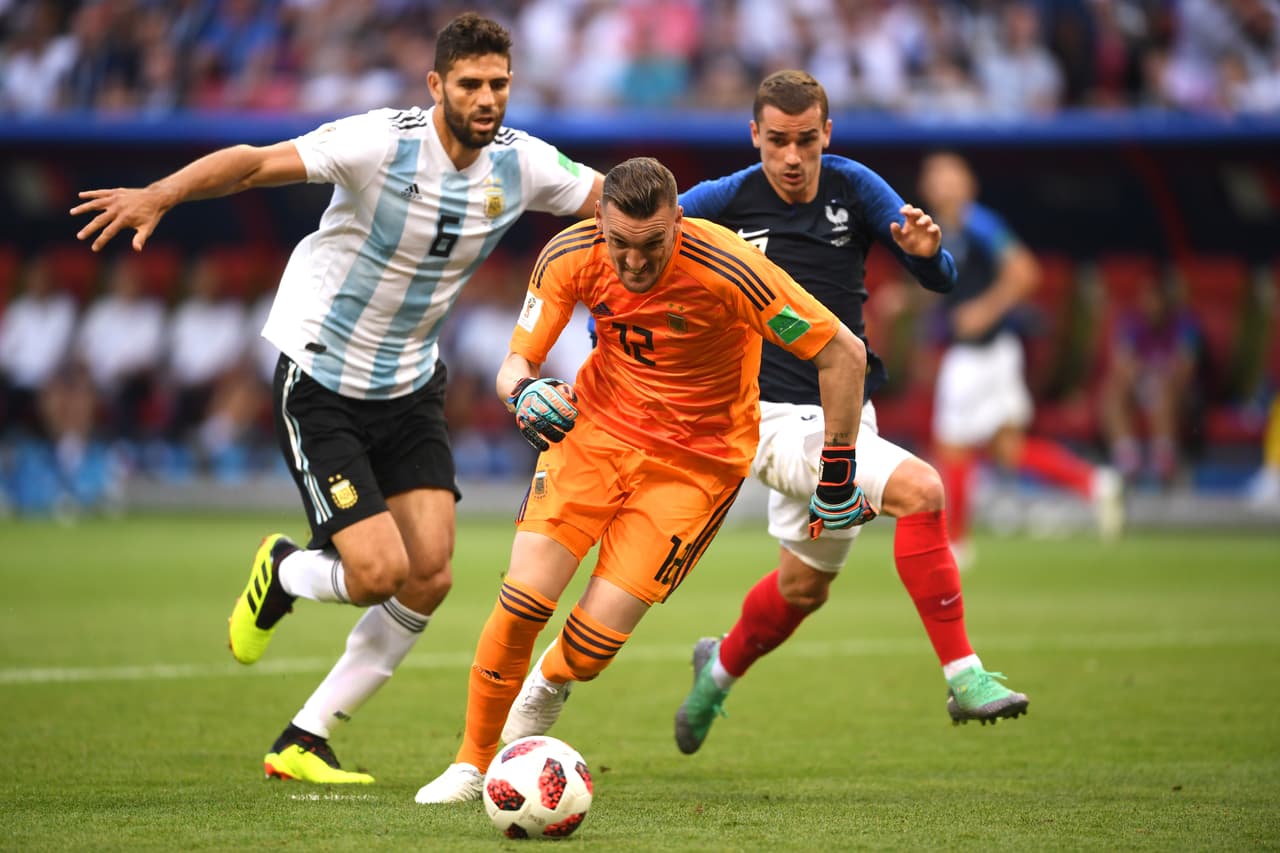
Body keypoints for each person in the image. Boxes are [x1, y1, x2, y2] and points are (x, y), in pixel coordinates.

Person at [71, 12, 603, 785]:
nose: (487, 98)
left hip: (412, 382)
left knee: (432, 574)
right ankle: (285, 570)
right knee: (380, 571)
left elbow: (623, 203)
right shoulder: (380, 143)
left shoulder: (525, 165)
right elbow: (252, 164)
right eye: (470, 84)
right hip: (322, 377)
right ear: (436, 86)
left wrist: (729, 232)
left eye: (499, 84)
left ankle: (305, 736)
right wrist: (160, 194)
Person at [413, 156, 873, 803]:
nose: (632, 262)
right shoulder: (570, 253)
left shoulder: (731, 268)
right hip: (593, 436)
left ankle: (546, 683)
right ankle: (468, 764)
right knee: (522, 602)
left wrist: (838, 472)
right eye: (619, 244)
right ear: (599, 220)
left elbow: (841, 351)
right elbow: (517, 360)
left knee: (592, 647)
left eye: (651, 245)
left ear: (679, 222)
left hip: (695, 465)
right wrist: (521, 391)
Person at [646, 69, 1029, 755]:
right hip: (766, 418)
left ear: (827, 133)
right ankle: (964, 675)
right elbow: (637, 245)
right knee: (923, 490)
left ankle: (716, 674)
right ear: (755, 136)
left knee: (802, 586)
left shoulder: (854, 185)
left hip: (845, 413)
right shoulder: (723, 199)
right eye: (777, 142)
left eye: (806, 141)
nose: (792, 158)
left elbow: (936, 273)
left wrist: (929, 256)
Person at [920, 151, 1123, 566]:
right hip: (984, 353)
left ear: (968, 183)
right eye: (936, 176)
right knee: (1007, 449)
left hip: (984, 353)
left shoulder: (980, 223)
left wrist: (985, 311)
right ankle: (1093, 482)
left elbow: (1026, 272)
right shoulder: (945, 230)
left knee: (952, 447)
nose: (943, 183)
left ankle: (956, 545)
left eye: (951, 175)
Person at [1098, 271, 1201, 487]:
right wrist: (1142, 376)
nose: (1150, 303)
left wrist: (1159, 378)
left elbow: (1186, 368)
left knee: (1163, 389)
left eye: (1155, 298)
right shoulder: (1131, 321)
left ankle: (1164, 461)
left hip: (1179, 393)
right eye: (1146, 297)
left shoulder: (1185, 323)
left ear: (1166, 300)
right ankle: (1127, 460)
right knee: (1114, 391)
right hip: (1142, 385)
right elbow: (1123, 364)